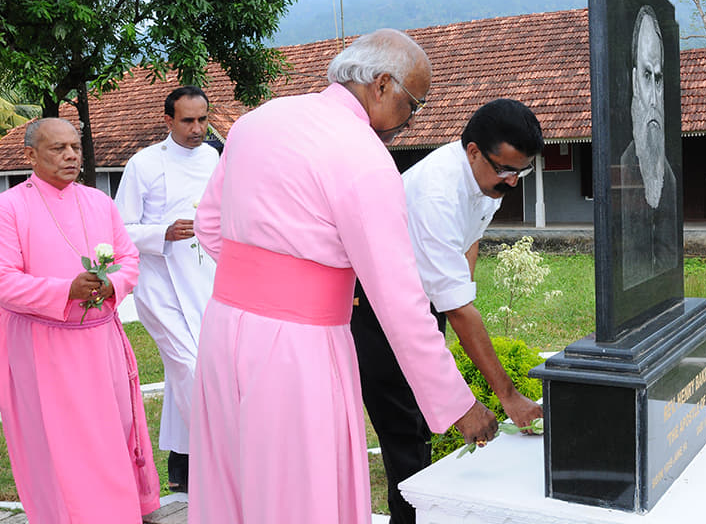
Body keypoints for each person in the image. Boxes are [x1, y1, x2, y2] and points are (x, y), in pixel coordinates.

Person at [188, 28, 498, 524]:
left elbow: (208, 223)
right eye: (413, 104)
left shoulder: (257, 121)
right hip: (298, 349)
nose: (410, 121)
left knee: (235, 481)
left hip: (224, 331)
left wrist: (262, 284)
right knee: (298, 493)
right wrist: (458, 406)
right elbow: (399, 301)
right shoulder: (362, 155)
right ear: (381, 85)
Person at [351, 98, 545, 523]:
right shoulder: (437, 193)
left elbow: (467, 239)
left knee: (421, 422)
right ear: (473, 150)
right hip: (375, 311)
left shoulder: (484, 179)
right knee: (406, 433)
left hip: (419, 300)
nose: (512, 183)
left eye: (520, 171)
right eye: (504, 170)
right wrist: (507, 396)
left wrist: (457, 294)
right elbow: (458, 307)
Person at [0, 118, 160, 523]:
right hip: (43, 345)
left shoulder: (98, 202)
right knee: (61, 445)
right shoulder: (9, 207)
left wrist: (112, 287)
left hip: (99, 340)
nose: (71, 155)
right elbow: (4, 282)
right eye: (58, 148)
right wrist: (64, 291)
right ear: (30, 155)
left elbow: (128, 259)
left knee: (111, 435)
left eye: (75, 146)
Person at [114, 85, 218, 492]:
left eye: (203, 119)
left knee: (189, 371)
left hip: (206, 276)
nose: (197, 129)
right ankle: (217, 457)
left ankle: (182, 467)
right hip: (160, 284)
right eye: (188, 120)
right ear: (168, 121)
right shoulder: (143, 164)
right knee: (190, 368)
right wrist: (164, 232)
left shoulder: (213, 157)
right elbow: (121, 228)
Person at [621, 5, 678, 289]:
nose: (654, 98)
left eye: (658, 79)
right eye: (646, 76)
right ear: (634, 82)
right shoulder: (623, 169)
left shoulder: (670, 179)